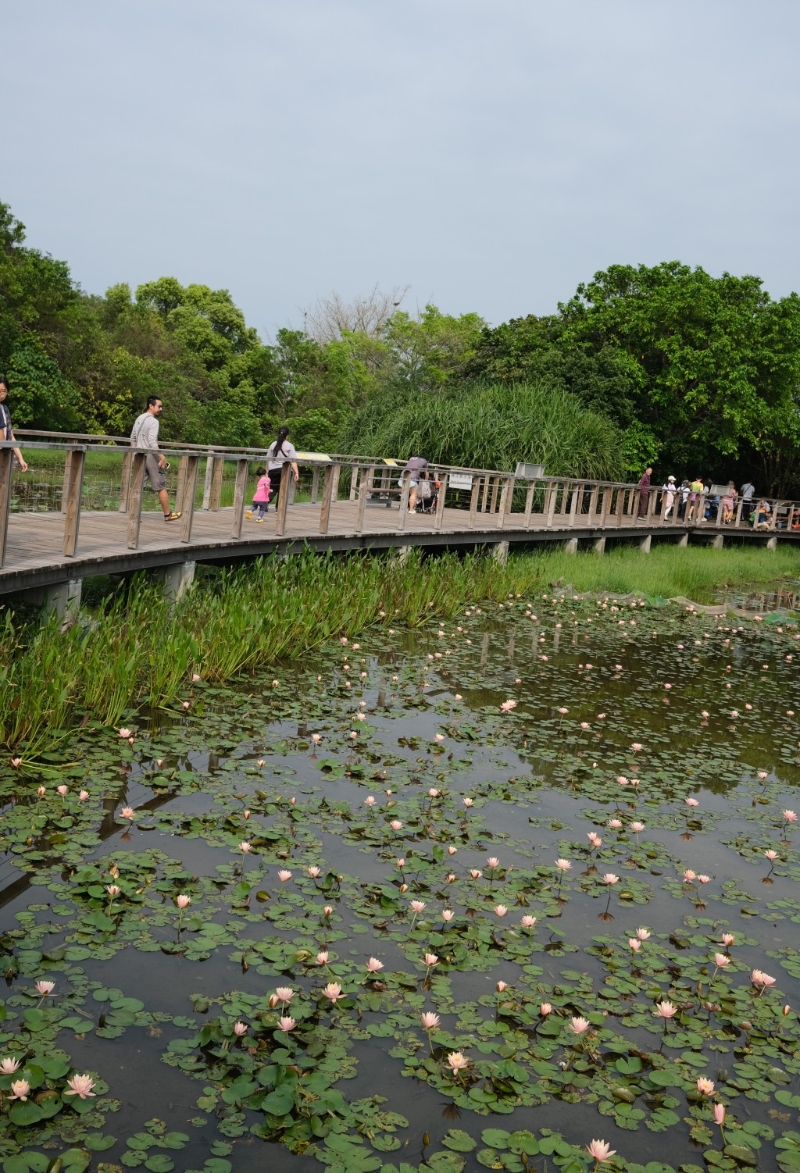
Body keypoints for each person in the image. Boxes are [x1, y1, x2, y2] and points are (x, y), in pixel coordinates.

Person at [129, 397, 182, 521]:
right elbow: (152, 441)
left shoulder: (139, 418)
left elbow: (132, 438)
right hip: (151, 456)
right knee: (160, 485)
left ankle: (134, 515)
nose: (161, 409)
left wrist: (134, 453)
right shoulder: (153, 421)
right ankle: (167, 515)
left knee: (138, 486)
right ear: (151, 406)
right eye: (159, 406)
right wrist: (162, 457)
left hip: (139, 455)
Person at [266, 427, 299, 509]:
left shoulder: (273, 444)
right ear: (287, 435)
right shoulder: (290, 446)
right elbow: (293, 461)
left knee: (272, 488)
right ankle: (279, 508)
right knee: (283, 489)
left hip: (273, 470)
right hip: (285, 471)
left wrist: (267, 470)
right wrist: (296, 472)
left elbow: (268, 458)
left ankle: (264, 504)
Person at [0, 377, 28, 472]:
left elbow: (11, 436)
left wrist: (21, 458)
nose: (1, 393)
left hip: (4, 453)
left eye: (3, 391)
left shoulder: (5, 409)